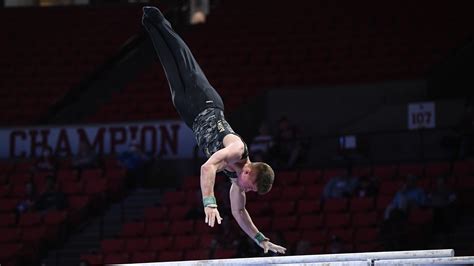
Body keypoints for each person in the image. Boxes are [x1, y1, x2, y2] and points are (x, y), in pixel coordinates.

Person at [142, 6, 285, 254]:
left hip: (189, 115)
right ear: (249, 170)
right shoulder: (237, 149)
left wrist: (260, 239)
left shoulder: (236, 182)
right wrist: (209, 202)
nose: (246, 190)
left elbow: (240, 212)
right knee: (181, 56)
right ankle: (159, 18)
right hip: (205, 101)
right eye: (250, 186)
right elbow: (207, 167)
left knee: (168, 63)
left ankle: (149, 24)